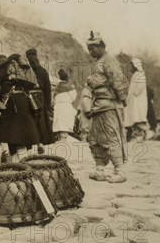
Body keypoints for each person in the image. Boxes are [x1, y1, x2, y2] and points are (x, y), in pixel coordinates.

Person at [86, 32, 129, 183]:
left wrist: (122, 99)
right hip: (98, 105)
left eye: (93, 49)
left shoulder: (110, 61)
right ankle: (100, 170)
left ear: (101, 47)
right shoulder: (99, 61)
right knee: (94, 139)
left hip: (109, 106)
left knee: (111, 138)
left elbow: (118, 81)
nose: (91, 52)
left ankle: (120, 171)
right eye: (89, 49)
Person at [0, 54, 40, 164]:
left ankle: (9, 165)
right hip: (24, 103)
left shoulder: (0, 70)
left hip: (10, 105)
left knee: (4, 137)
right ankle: (22, 164)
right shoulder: (21, 71)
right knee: (20, 137)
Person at [26, 48, 55, 150]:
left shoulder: (25, 70)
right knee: (40, 120)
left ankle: (31, 144)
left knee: (30, 120)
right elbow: (47, 89)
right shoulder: (43, 71)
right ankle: (40, 144)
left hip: (28, 96)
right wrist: (47, 103)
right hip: (40, 98)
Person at [124, 58, 149, 141]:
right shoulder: (135, 75)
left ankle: (148, 131)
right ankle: (137, 136)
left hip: (138, 102)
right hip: (134, 102)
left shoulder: (140, 75)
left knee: (136, 119)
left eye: (132, 66)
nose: (130, 67)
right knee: (133, 119)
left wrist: (133, 93)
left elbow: (137, 90)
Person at [52, 69, 78, 140]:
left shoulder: (57, 87)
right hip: (66, 106)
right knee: (65, 123)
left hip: (58, 107)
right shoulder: (70, 87)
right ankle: (63, 139)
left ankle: (60, 137)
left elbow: (53, 98)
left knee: (59, 123)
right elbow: (74, 97)